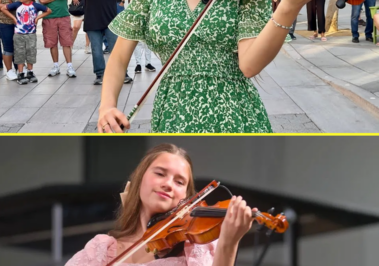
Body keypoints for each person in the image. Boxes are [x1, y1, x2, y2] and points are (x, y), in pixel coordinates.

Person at [97, 0, 311, 133]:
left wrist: (288, 8)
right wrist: (107, 106)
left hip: (233, 113)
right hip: (172, 113)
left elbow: (249, 66)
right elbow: (118, 59)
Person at [65, 143, 256, 266]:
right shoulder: (101, 250)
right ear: (139, 180)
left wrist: (228, 244)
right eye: (160, 173)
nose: (168, 184)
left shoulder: (195, 249)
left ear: (185, 196)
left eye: (179, 182)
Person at [1, 0, 52, 84]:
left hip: (31, 34)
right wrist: (13, 18)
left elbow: (48, 10)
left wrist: (38, 17)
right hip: (19, 34)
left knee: (31, 52)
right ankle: (20, 73)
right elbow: (3, 8)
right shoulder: (17, 4)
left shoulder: (35, 5)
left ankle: (30, 72)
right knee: (19, 53)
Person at [84, 0, 132, 85]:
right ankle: (100, 74)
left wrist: (122, 2)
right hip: (92, 19)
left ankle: (122, 73)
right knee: (96, 50)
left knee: (116, 48)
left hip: (110, 18)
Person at [39, 0, 77, 78]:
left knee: (66, 42)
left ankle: (70, 66)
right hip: (49, 17)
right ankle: (56, 65)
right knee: (52, 42)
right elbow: (42, 1)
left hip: (64, 16)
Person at [0, 0, 19, 80]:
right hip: (4, 22)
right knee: (8, 48)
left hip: (19, 22)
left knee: (19, 47)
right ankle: (9, 71)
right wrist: (12, 6)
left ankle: (20, 69)